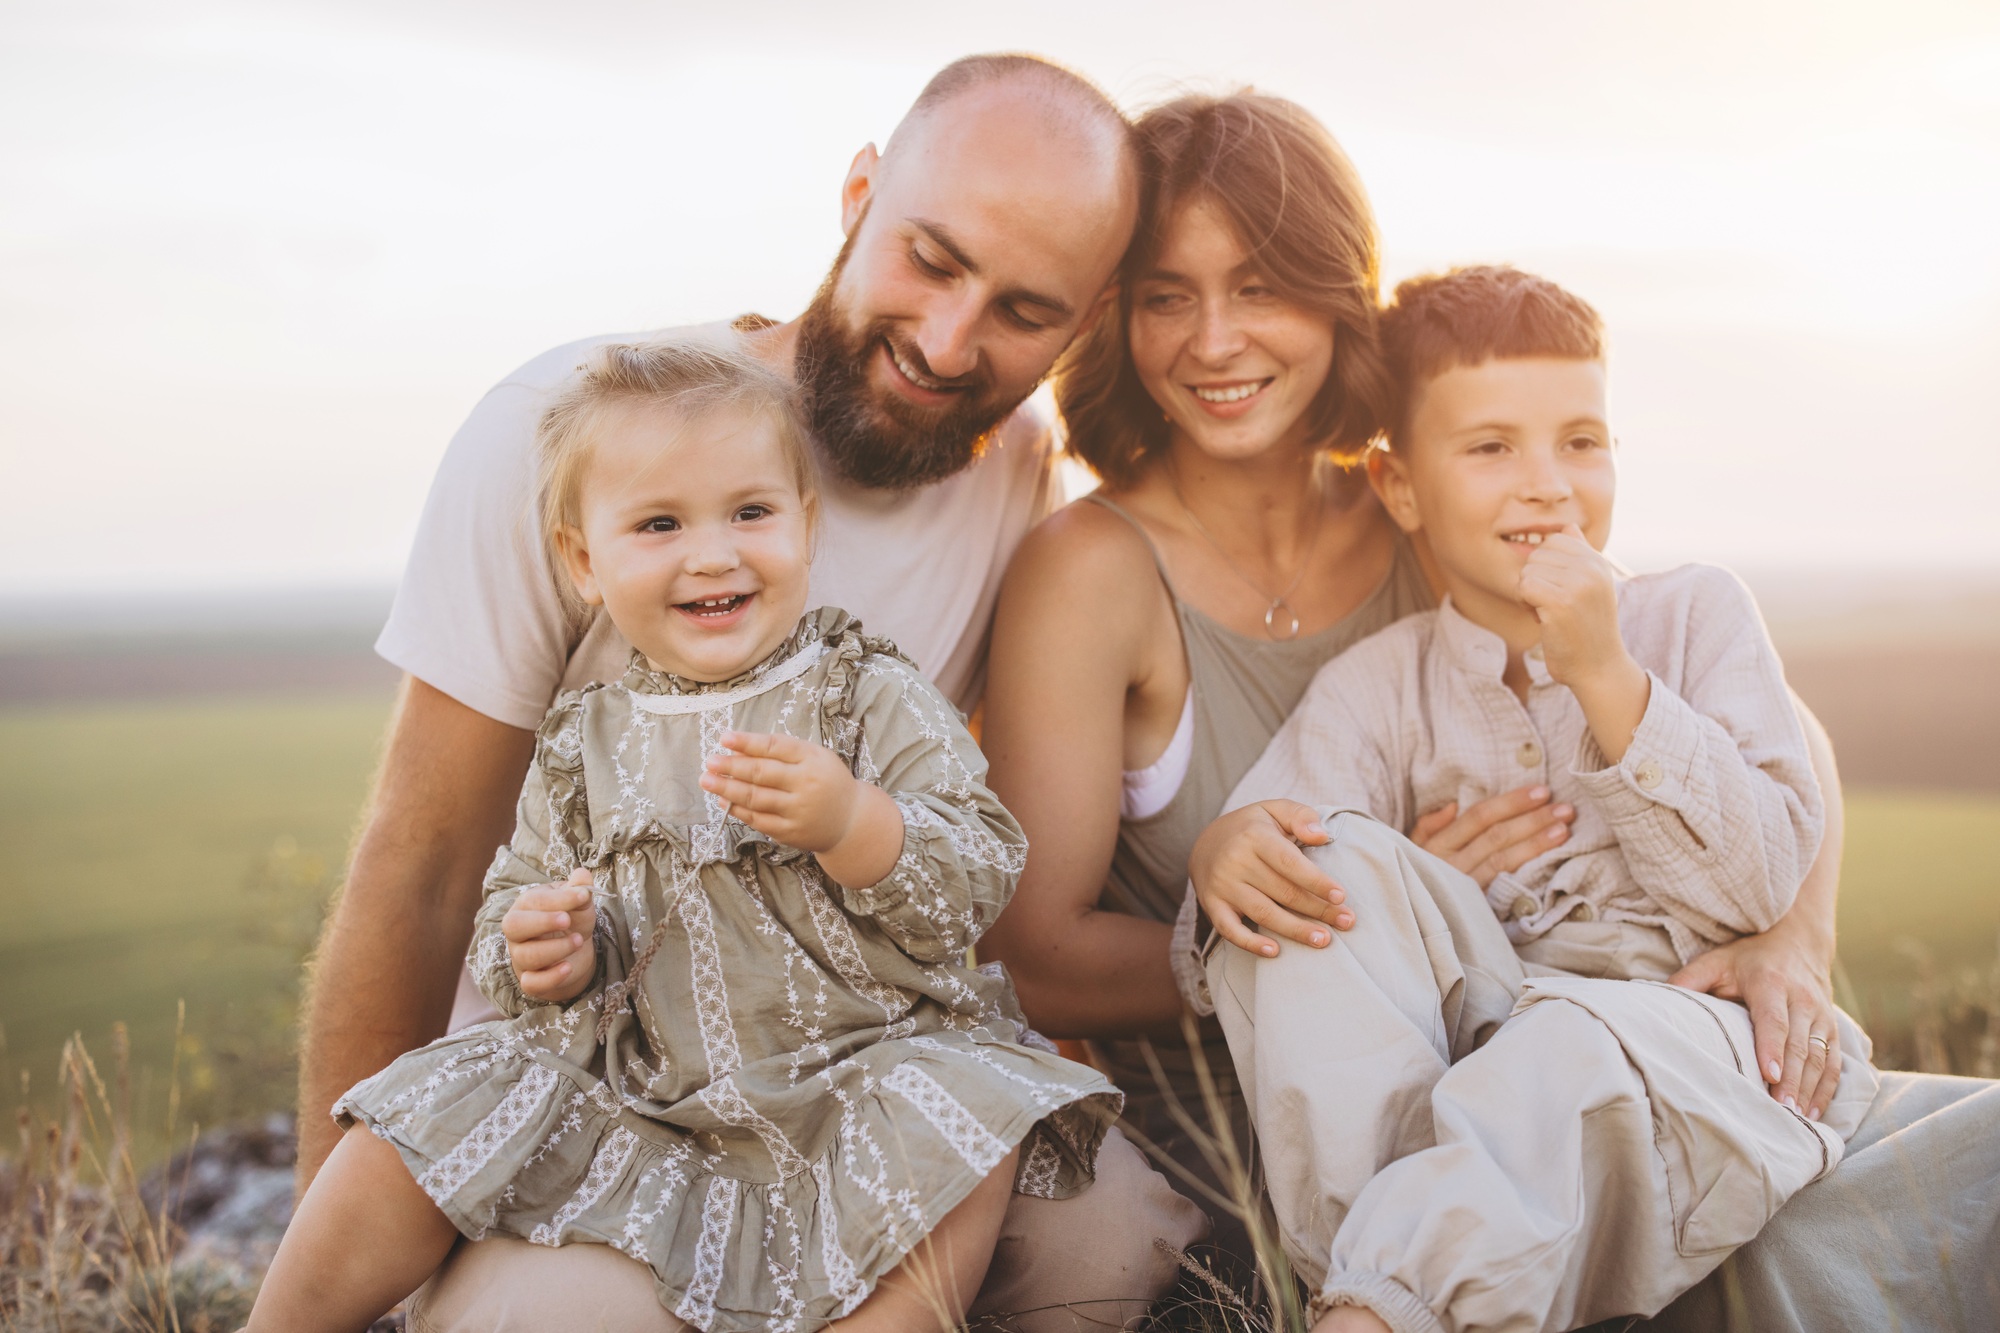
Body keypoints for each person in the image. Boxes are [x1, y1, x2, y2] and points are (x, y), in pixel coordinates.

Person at [298, 53, 1203, 1332]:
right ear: (857, 194)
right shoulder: (570, 436)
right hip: (611, 1083)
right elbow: (425, 860)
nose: (949, 343)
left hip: (851, 1069)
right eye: (931, 260)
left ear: (1087, 318)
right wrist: (344, 1237)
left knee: (1107, 1240)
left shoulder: (1015, 472)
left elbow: (961, 841)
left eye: (1022, 311)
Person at [979, 92, 1849, 1269]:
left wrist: (1789, 942)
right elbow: (1037, 957)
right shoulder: (1090, 570)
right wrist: (1378, 915)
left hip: (1522, 1091)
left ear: (1339, 298)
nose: (1212, 341)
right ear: (1114, 317)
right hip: (1254, 1152)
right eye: (1163, 297)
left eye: (1261, 288)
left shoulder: (1438, 513)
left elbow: (1740, 709)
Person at [253, 340, 1123, 1333]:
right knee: (421, 1106)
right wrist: (539, 946)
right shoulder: (586, 741)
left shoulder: (862, 690)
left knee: (971, 1115)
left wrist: (855, 823)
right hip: (653, 1097)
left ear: (804, 523)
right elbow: (515, 890)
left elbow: (976, 867)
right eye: (658, 523)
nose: (712, 553)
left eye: (749, 512)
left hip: (854, 1083)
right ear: (584, 559)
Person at [1188, 265, 1879, 1332]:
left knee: (1557, 1048)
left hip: (1682, 1032)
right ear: (1399, 483)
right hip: (1484, 1033)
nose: (1548, 484)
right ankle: (1371, 1279)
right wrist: (1227, 857)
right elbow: (1258, 920)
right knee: (1317, 868)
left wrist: (1610, 680)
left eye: (1580, 441)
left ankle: (1377, 1314)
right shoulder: (1378, 687)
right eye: (1489, 447)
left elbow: (1754, 884)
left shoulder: (1693, 617)